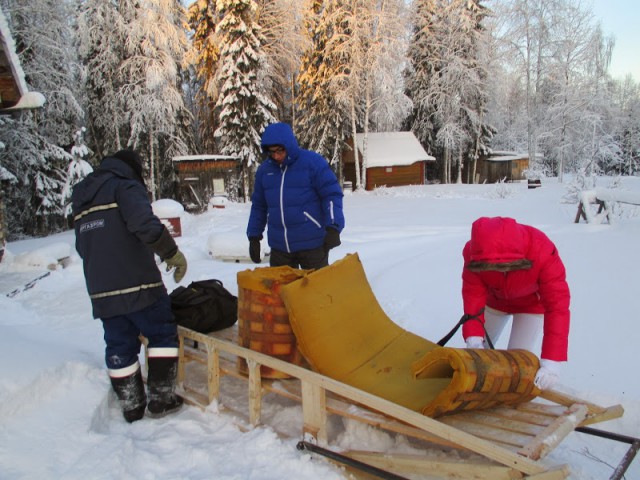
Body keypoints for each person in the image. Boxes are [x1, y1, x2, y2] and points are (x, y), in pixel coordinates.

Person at [72, 150, 188, 423]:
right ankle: (161, 399)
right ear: (132, 169)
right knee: (161, 334)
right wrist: (171, 253)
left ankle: (132, 407)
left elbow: (82, 245)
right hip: (139, 282)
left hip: (101, 289)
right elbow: (143, 223)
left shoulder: (81, 199)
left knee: (119, 345)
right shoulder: (124, 185)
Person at [460, 216, 570, 390]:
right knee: (477, 358)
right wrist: (474, 337)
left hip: (530, 306)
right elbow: (473, 295)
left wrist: (552, 361)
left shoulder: (542, 250)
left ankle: (507, 396)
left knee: (516, 362)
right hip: (494, 302)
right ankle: (477, 391)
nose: (499, 271)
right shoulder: (474, 252)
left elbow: (557, 307)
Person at [247, 122, 345, 269]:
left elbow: (331, 195)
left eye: (280, 150)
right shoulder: (265, 171)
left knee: (316, 290)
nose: (276, 156)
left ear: (289, 145)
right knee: (283, 291)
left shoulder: (312, 163)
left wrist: (333, 226)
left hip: (312, 244)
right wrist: (254, 236)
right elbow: (259, 206)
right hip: (280, 247)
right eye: (271, 152)